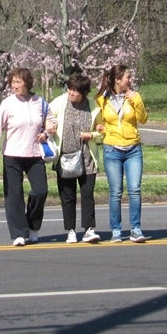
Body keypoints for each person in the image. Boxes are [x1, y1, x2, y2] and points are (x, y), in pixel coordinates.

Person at [0, 67, 50, 246]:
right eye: (13, 82)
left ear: (27, 83)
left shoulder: (40, 102)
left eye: (18, 82)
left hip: (35, 154)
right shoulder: (8, 103)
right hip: (13, 155)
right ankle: (19, 233)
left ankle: (32, 226)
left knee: (40, 191)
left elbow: (50, 122)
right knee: (14, 195)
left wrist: (46, 133)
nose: (15, 86)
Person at [45, 71, 102, 244]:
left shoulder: (93, 107)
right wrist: (49, 126)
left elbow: (102, 133)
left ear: (83, 93)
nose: (71, 93)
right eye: (70, 89)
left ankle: (89, 229)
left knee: (87, 194)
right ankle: (70, 230)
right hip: (65, 157)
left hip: (87, 158)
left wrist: (91, 135)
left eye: (75, 91)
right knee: (67, 195)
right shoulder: (60, 103)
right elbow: (47, 116)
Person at [95, 64, 149, 243]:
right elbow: (99, 121)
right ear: (117, 80)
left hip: (133, 148)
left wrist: (137, 101)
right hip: (112, 149)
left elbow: (143, 119)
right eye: (127, 77)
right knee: (115, 192)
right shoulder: (102, 99)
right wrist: (100, 129)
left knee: (135, 190)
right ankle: (116, 230)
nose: (130, 80)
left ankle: (135, 228)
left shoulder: (134, 96)